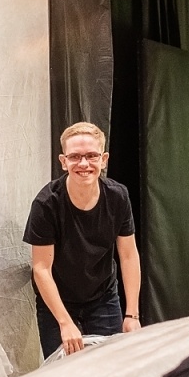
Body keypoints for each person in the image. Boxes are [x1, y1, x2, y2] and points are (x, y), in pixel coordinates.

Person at [23, 122, 141, 358]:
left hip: (103, 296)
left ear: (104, 159)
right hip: (58, 300)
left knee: (110, 366)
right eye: (75, 156)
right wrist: (65, 323)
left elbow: (128, 255)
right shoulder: (46, 203)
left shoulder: (118, 196)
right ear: (63, 161)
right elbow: (41, 269)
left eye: (91, 156)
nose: (84, 164)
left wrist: (132, 315)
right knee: (61, 372)